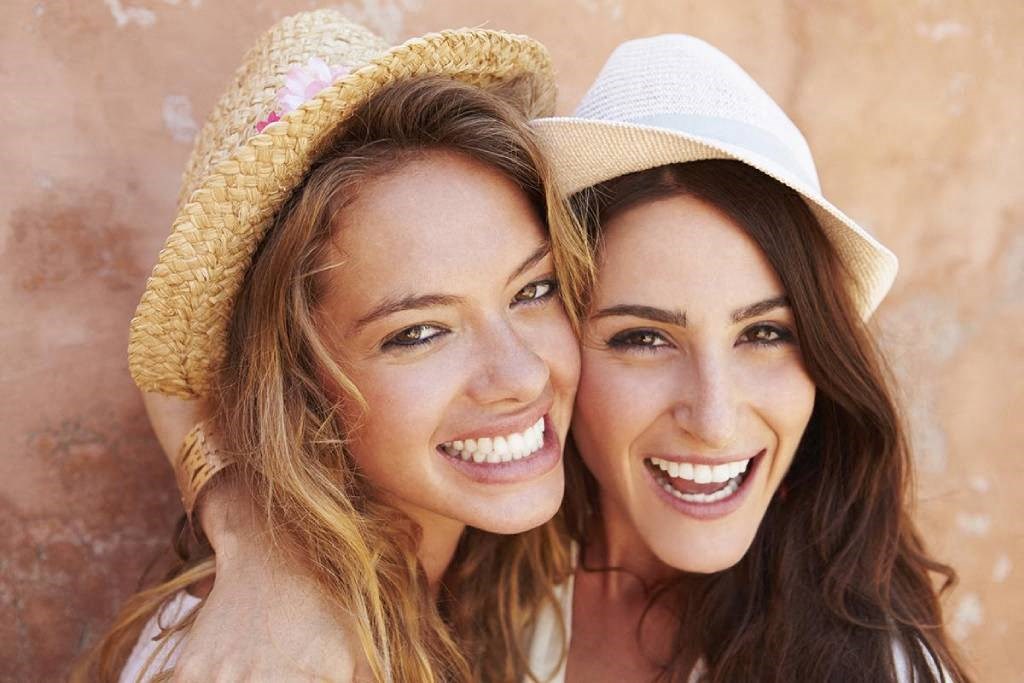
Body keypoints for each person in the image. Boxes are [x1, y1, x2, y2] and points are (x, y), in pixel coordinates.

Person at [122, 32, 973, 683]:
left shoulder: (866, 658)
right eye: (642, 337)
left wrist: (253, 530)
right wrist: (264, 545)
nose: (521, 376)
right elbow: (181, 381)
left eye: (766, 332)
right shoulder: (467, 562)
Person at [74, 10, 592, 682]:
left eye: (533, 290)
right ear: (299, 380)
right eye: (418, 331)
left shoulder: (502, 577)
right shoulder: (271, 662)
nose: (521, 375)